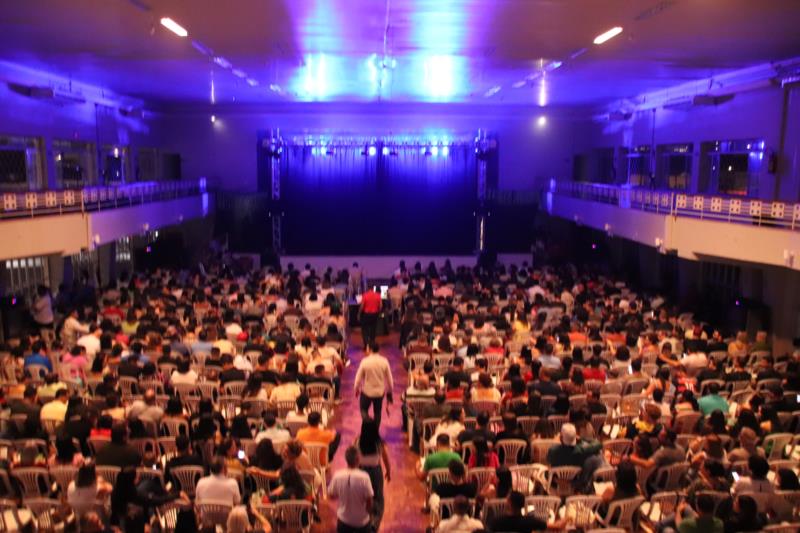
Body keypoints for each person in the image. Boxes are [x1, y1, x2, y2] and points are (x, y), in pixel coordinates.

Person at [328, 446, 374, 533]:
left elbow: (331, 495)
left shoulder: (337, 475)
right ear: (357, 459)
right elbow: (369, 503)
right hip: (362, 523)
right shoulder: (364, 477)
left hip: (343, 522)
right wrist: (369, 516)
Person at [356, 418, 391, 530]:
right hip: (375, 472)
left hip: (361, 471)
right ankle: (374, 524)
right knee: (378, 498)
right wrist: (388, 472)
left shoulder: (357, 441)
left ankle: (363, 522)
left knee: (362, 497)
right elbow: (385, 458)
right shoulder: (379, 443)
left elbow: (354, 457)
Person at [354, 342, 394, 428]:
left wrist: (356, 389)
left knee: (363, 410)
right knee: (377, 412)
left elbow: (358, 379)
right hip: (379, 393)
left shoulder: (365, 361)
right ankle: (375, 430)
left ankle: (368, 423)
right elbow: (390, 379)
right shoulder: (384, 361)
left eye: (367, 348)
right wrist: (390, 391)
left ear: (370, 349)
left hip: (367, 392)